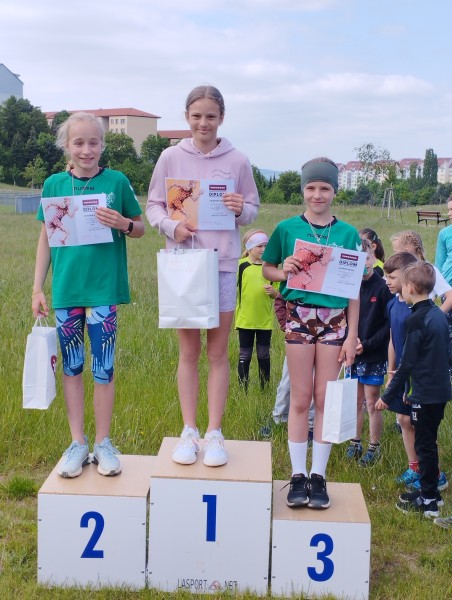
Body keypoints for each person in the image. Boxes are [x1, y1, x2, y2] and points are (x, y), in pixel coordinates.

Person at [146, 85, 259, 467]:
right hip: (184, 266)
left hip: (223, 265)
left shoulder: (238, 160)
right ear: (186, 117)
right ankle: (189, 430)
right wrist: (170, 226)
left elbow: (252, 209)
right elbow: (154, 205)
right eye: (196, 116)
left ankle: (214, 432)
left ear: (221, 118)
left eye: (211, 116)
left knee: (217, 352)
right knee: (189, 352)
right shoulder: (170, 157)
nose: (203, 123)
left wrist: (240, 208)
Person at [32, 112, 145, 478]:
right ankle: (77, 442)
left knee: (103, 368)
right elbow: (45, 239)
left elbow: (140, 228)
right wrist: (37, 287)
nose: (86, 150)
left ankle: (103, 442)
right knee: (72, 367)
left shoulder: (117, 182)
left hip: (103, 291)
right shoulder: (54, 185)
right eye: (78, 143)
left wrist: (124, 224)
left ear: (102, 145)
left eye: (93, 142)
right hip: (67, 292)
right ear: (67, 146)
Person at [262, 157, 360, 509]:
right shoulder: (287, 228)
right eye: (311, 187)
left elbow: (353, 290)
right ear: (303, 190)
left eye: (325, 188)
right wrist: (283, 271)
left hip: (335, 321)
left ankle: (318, 475)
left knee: (325, 399)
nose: (318, 194)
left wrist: (352, 335)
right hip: (299, 317)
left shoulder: (348, 233)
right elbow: (268, 269)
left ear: (335, 191)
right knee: (301, 397)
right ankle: (298, 475)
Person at [376, 262, 451, 517]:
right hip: (439, 391)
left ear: (409, 287)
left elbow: (407, 363)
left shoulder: (415, 320)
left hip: (426, 394)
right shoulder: (438, 314)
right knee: (427, 442)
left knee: (425, 445)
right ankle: (431, 492)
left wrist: (387, 396)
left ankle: (429, 500)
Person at [346, 239, 393, 466]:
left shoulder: (383, 287)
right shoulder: (349, 286)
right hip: (353, 352)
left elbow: (388, 325)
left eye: (366, 258)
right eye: (358, 259)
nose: (363, 263)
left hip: (374, 353)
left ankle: (374, 446)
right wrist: (350, 341)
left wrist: (368, 344)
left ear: (374, 257)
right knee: (355, 400)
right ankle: (355, 442)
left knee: (372, 401)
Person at [235, 229, 278, 390]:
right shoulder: (240, 265)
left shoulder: (271, 268)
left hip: (264, 322)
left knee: (264, 355)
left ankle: (264, 389)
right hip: (245, 320)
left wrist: (274, 293)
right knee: (245, 355)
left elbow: (279, 294)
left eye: (266, 246)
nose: (263, 249)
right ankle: (242, 390)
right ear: (249, 247)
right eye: (259, 246)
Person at [391, 230, 452, 313]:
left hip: (421, 318)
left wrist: (436, 316)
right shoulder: (400, 270)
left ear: (406, 251)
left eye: (395, 252)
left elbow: (450, 297)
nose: (394, 255)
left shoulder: (429, 270)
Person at [435, 195, 452, 286]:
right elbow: (439, 265)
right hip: (448, 285)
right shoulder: (444, 233)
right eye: (448, 210)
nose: (449, 214)